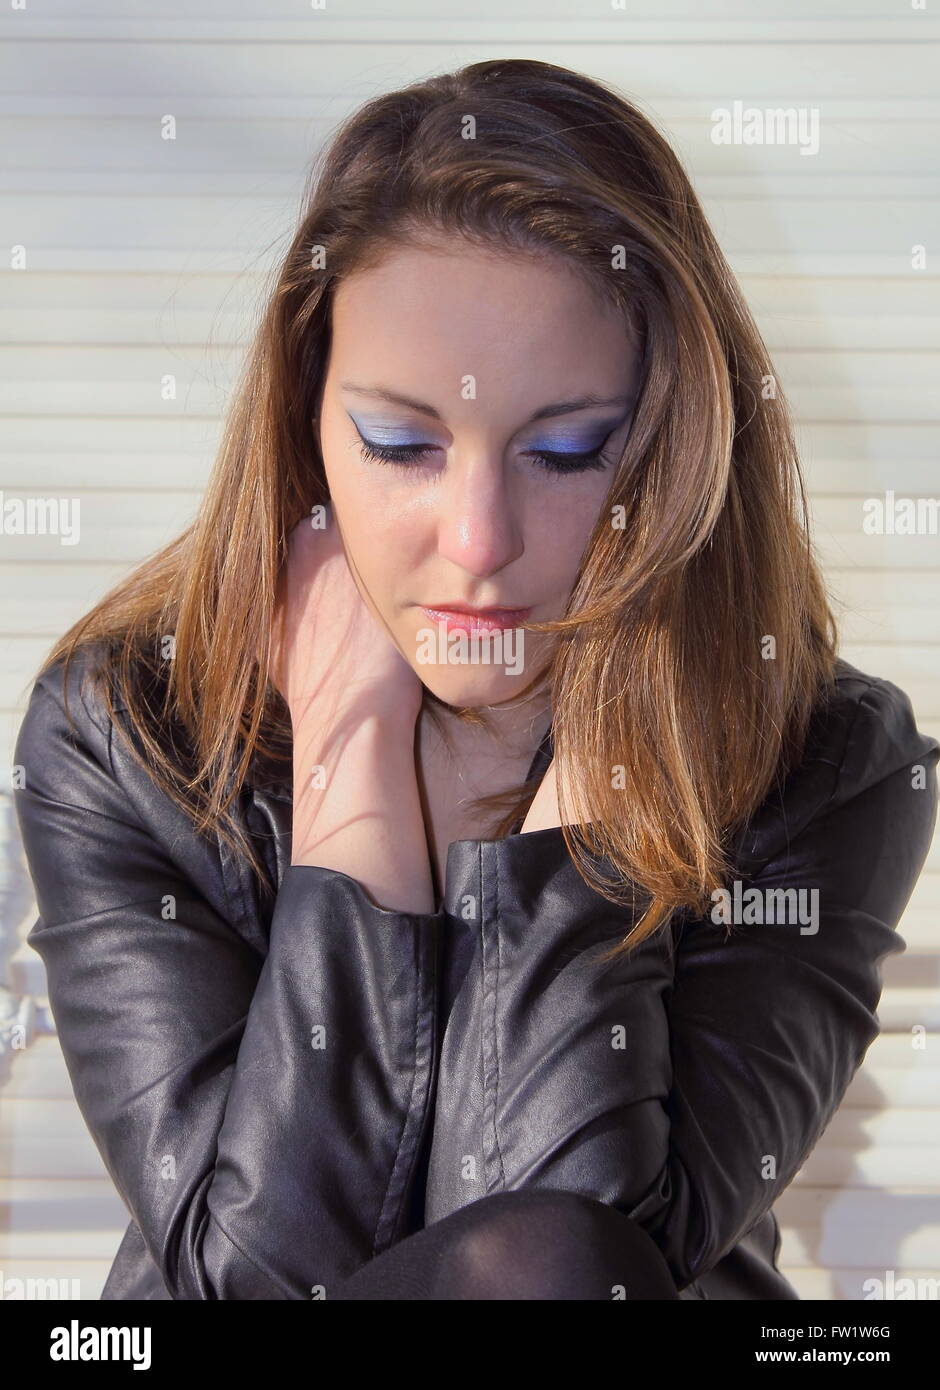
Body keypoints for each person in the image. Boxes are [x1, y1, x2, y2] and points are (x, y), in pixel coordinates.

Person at [12, 58, 938, 1301]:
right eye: (399, 445)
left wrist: (599, 791)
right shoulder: (124, 733)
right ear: (305, 428)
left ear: (671, 448)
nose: (478, 541)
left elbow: (575, 1255)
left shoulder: (825, 760)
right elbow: (258, 1285)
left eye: (565, 452)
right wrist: (349, 773)